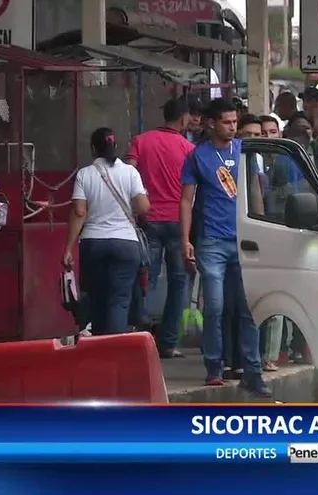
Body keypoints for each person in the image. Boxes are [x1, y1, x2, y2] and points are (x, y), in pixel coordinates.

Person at [179, 97, 270, 396]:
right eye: (227, 122)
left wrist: (262, 229)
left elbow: (255, 191)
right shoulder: (197, 156)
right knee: (215, 306)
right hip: (212, 242)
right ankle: (214, 367)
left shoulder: (244, 151)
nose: (233, 127)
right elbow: (186, 200)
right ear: (212, 124)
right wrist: (185, 239)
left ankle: (253, 371)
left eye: (235, 122)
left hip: (244, 240)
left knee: (249, 308)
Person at [125, 98, 195, 358]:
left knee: (147, 278)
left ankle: (141, 337)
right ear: (184, 119)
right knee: (178, 282)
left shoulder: (141, 141)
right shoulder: (189, 148)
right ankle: (168, 343)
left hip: (148, 219)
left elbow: (128, 172)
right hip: (178, 222)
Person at [63, 128, 149, 336]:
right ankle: (115, 346)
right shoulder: (130, 172)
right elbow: (143, 207)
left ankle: (99, 343)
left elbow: (79, 212)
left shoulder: (85, 174)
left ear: (93, 149)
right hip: (126, 244)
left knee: (97, 299)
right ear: (115, 146)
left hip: (94, 244)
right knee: (119, 300)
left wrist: (68, 248)